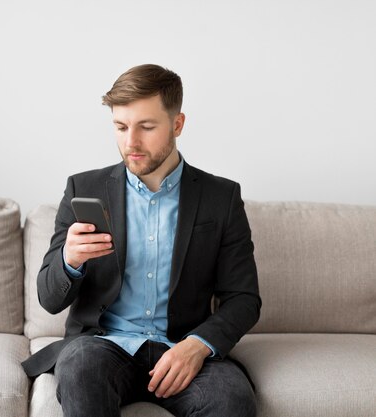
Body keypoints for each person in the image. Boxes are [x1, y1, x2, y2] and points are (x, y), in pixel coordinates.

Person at [21, 64, 261, 417]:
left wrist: (198, 345)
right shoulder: (83, 189)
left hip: (181, 346)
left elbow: (243, 298)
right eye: (120, 127)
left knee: (231, 398)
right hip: (102, 346)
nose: (130, 142)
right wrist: (69, 261)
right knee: (81, 367)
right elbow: (49, 298)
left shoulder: (220, 198)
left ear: (177, 124)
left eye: (146, 127)